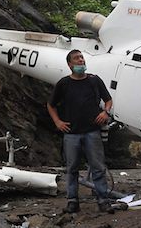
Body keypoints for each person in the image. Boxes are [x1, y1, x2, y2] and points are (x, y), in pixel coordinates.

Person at [47, 49, 114, 214]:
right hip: (71, 133)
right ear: (70, 64)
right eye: (76, 59)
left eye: (82, 58)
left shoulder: (94, 80)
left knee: (98, 166)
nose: (81, 61)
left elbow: (108, 99)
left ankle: (103, 200)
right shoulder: (64, 84)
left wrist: (105, 112)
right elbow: (51, 104)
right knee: (72, 168)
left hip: (92, 131)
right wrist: (57, 122)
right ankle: (72, 201)